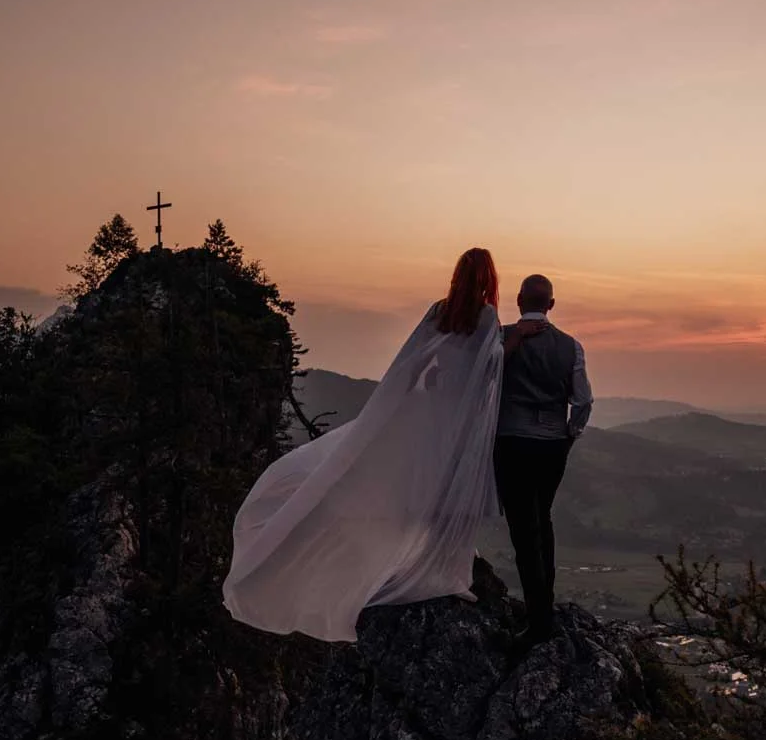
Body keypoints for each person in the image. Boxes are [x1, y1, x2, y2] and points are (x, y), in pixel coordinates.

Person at [221, 248, 547, 641]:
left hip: (429, 411)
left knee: (425, 489)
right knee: (448, 489)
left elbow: (412, 363)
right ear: (489, 280)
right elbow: (489, 364)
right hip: (457, 418)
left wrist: (402, 407)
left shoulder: (438, 311)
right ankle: (448, 570)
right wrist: (516, 339)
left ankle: (432, 562)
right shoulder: (485, 317)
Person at [494, 273, 593, 644]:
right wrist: (570, 434)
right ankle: (543, 609)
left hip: (511, 442)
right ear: (551, 304)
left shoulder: (501, 339)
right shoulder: (571, 346)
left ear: (519, 300)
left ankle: (538, 622)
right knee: (542, 519)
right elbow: (582, 401)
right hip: (552, 445)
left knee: (523, 528)